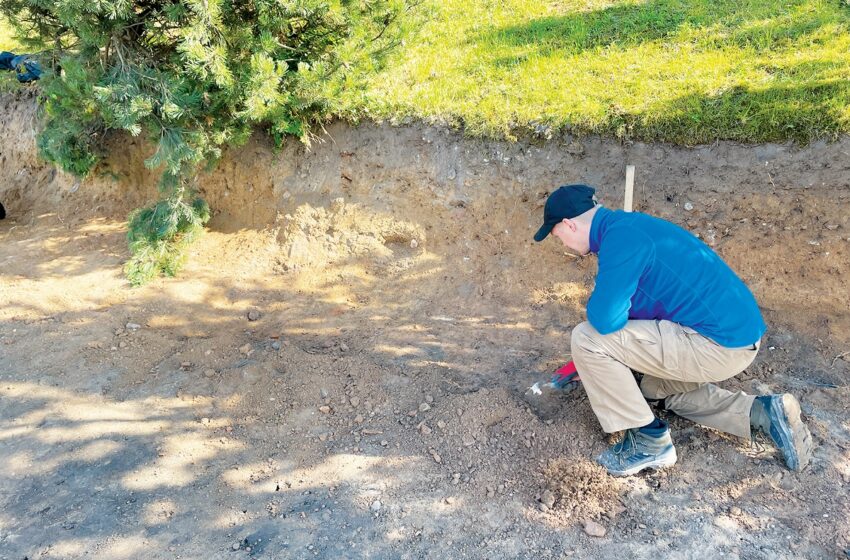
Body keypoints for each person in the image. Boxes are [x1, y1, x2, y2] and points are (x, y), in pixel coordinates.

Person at [534, 184, 813, 476]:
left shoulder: (621, 240)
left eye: (557, 236)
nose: (563, 243)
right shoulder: (631, 228)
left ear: (569, 224)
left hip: (716, 345)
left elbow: (604, 321)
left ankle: (648, 442)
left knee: (586, 338)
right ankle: (763, 413)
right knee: (651, 388)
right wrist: (595, 367)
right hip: (738, 339)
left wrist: (591, 355)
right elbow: (633, 315)